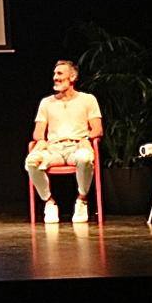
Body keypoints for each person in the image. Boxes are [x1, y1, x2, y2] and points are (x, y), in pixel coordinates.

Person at [25, 60, 102, 224]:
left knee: (85, 158)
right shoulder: (46, 102)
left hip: (77, 146)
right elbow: (38, 132)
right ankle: (49, 202)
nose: (55, 78)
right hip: (54, 150)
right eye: (54, 74)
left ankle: (82, 200)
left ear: (72, 76)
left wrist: (86, 139)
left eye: (59, 74)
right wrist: (40, 141)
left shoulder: (88, 100)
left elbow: (97, 129)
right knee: (31, 161)